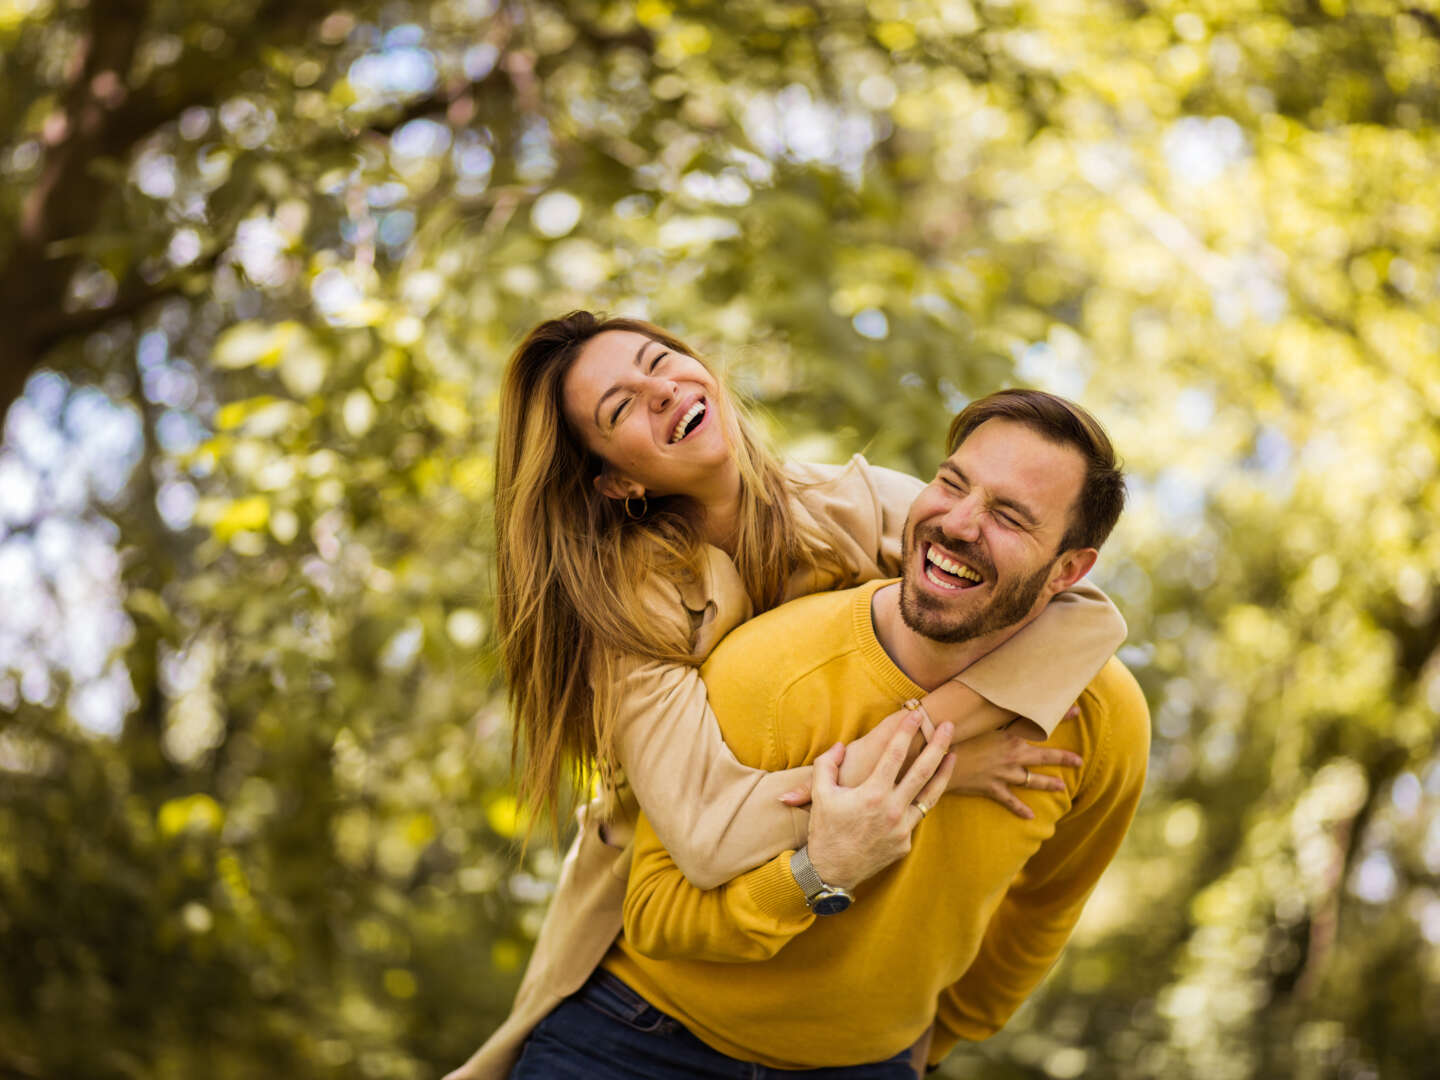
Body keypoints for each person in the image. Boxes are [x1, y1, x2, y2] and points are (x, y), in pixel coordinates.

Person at [447, 315, 1127, 1079]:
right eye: (622, 408)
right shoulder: (630, 603)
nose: (664, 392)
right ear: (618, 480)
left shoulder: (848, 501)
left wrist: (932, 728)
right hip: (642, 996)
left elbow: (1082, 611)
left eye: (661, 361)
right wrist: (935, 770)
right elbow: (705, 831)